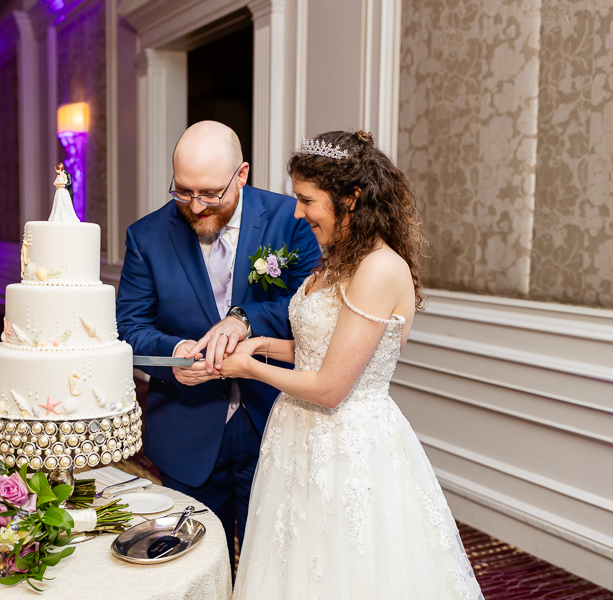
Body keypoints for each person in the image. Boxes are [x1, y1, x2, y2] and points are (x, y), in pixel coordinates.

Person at [221, 130, 484, 599]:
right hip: (297, 435)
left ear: (351, 197)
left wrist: (249, 369)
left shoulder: (379, 269)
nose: (298, 213)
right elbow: (318, 348)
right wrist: (260, 345)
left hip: (347, 445)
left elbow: (330, 386)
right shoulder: (337, 258)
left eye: (307, 200)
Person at [116, 121, 320, 570]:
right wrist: (174, 357)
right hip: (187, 427)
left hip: (274, 416)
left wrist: (245, 321)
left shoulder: (294, 220)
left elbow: (313, 305)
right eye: (183, 191)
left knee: (271, 563)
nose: (195, 205)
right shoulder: (146, 237)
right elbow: (130, 327)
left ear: (242, 175)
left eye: (209, 193)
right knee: (192, 565)